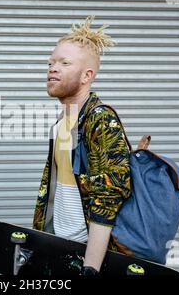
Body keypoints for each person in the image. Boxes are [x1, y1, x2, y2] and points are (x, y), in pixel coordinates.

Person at [33, 15, 132, 275]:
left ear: (88, 75)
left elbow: (108, 196)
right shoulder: (60, 125)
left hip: (88, 255)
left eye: (65, 63)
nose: (53, 68)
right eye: (51, 62)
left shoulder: (100, 120)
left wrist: (90, 268)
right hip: (59, 248)